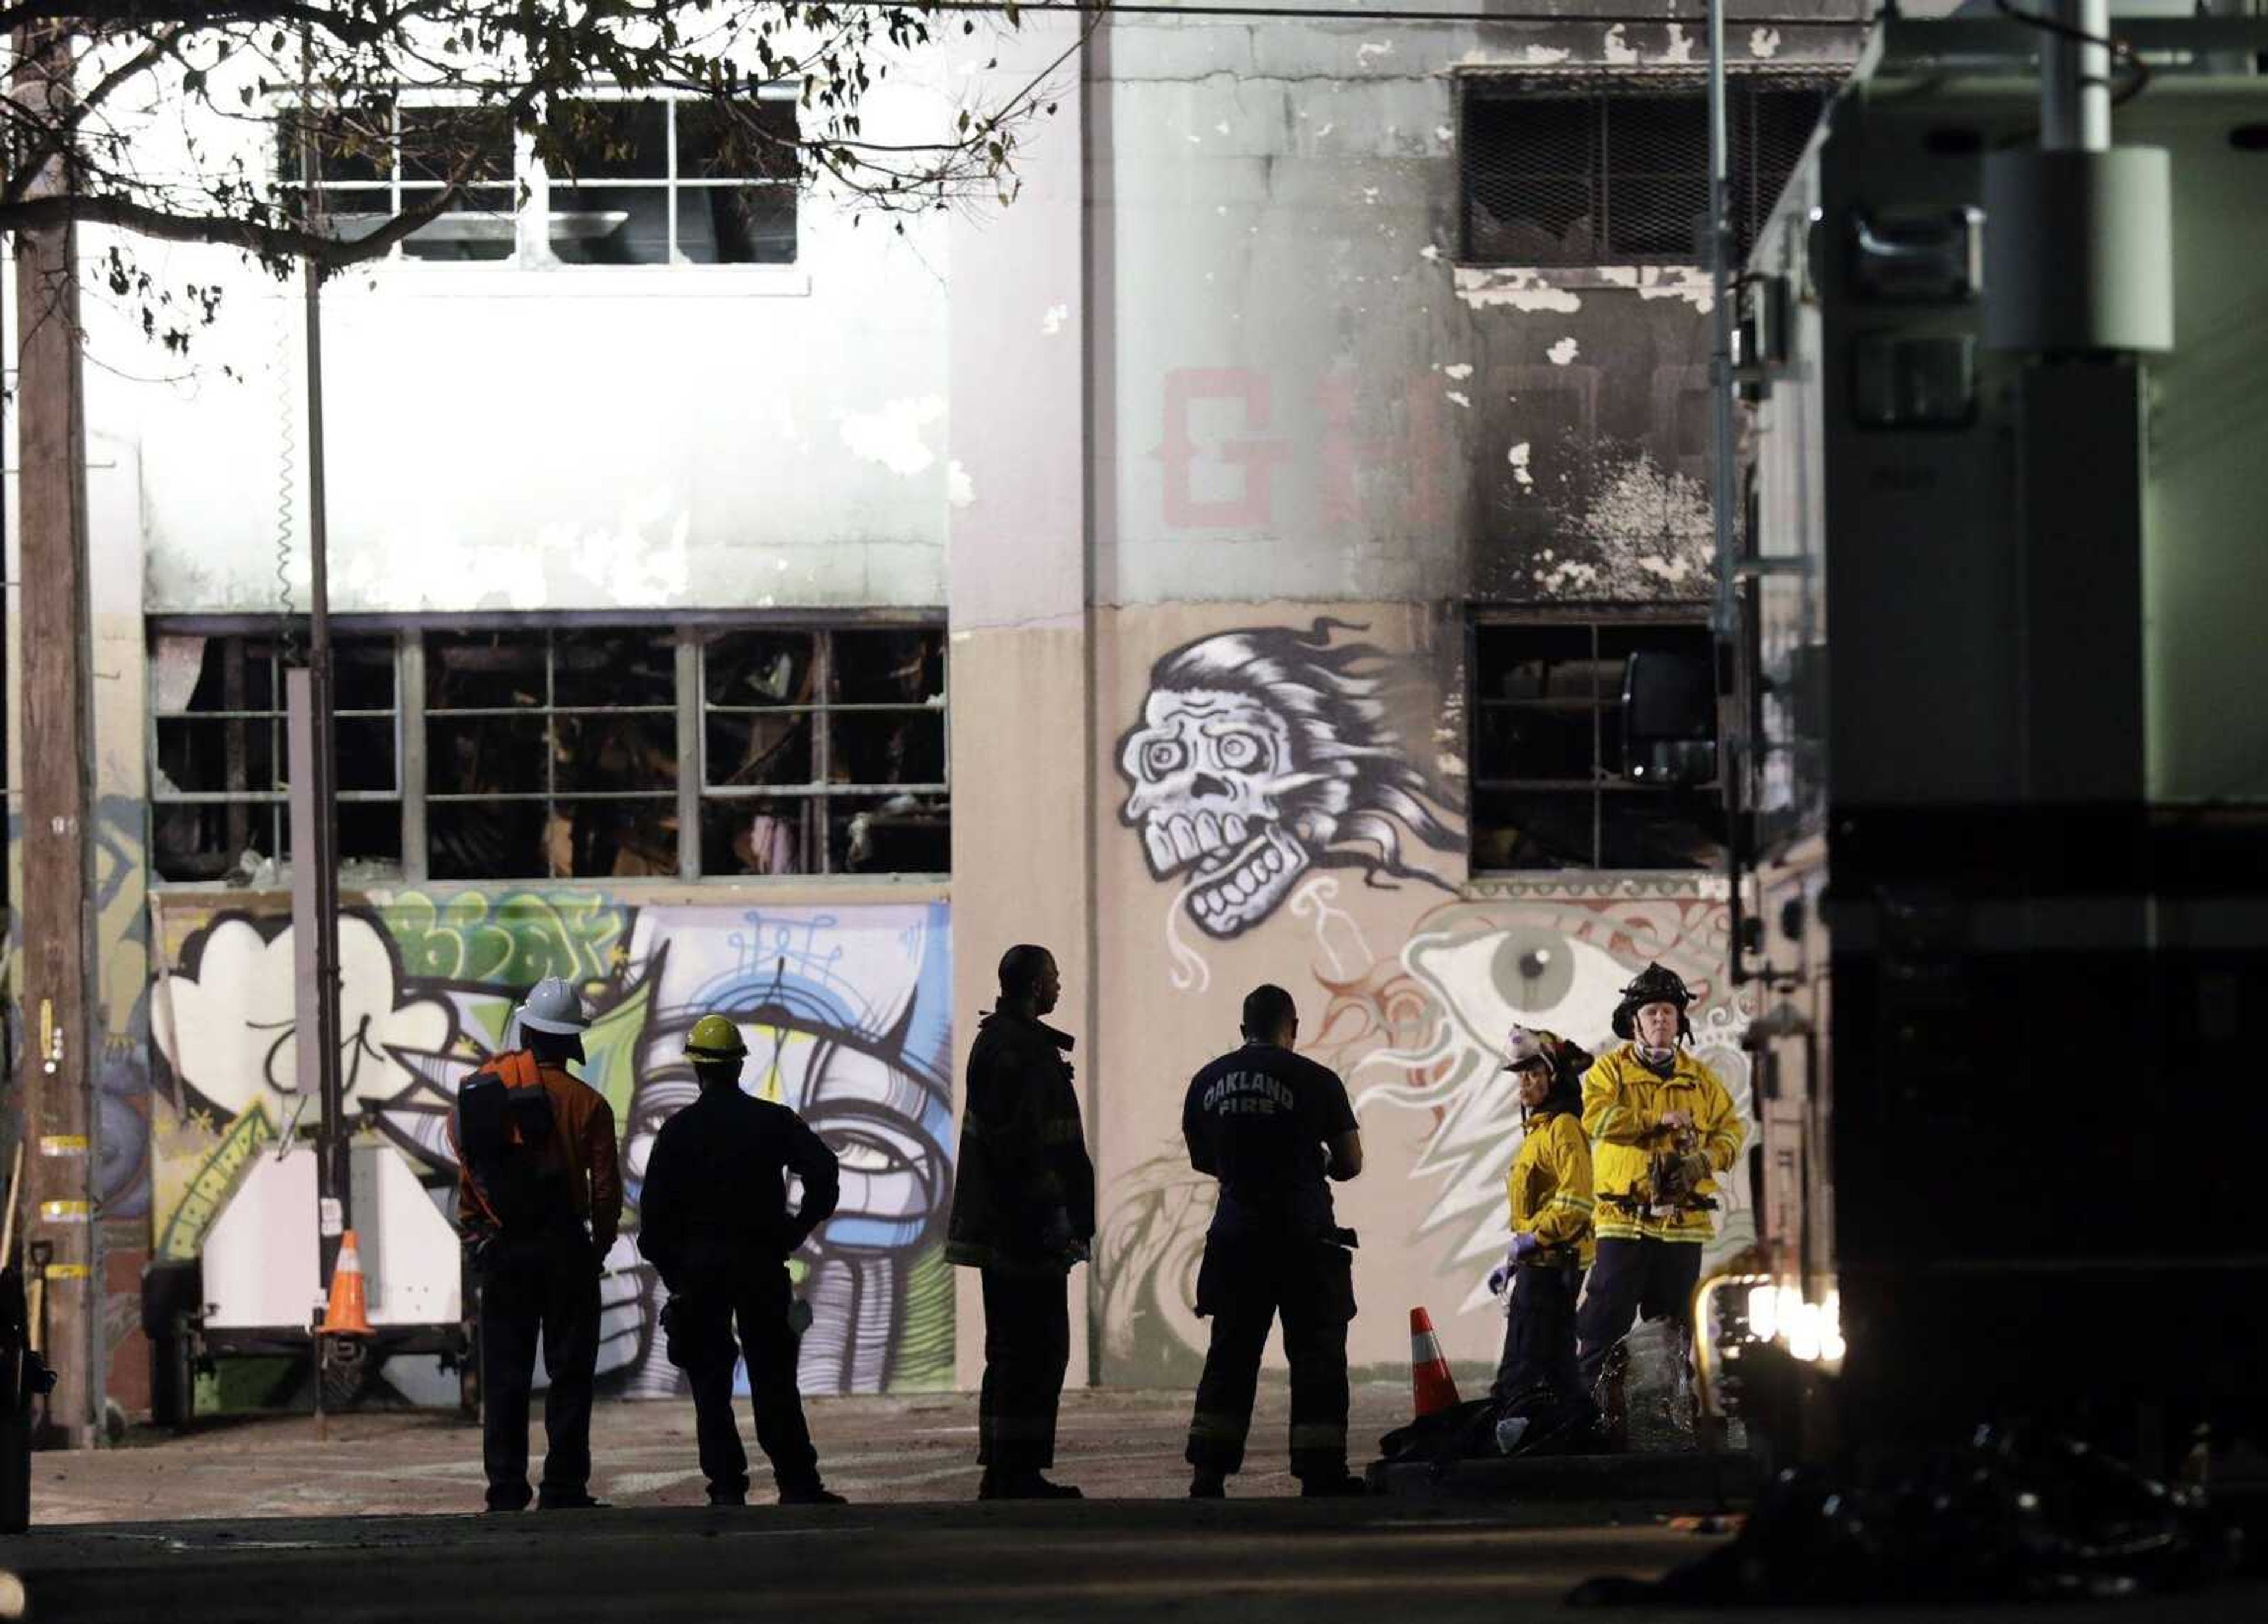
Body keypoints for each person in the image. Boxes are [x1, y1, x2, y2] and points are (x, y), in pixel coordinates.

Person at [636, 1013, 846, 1508]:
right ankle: (798, 1483)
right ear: (738, 1066)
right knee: (774, 1378)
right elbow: (824, 1168)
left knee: (710, 1385)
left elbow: (654, 1221)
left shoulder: (678, 1132)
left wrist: (676, 1279)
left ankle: (727, 1486)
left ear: (697, 1069)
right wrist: (798, 1228)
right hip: (760, 1266)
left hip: (700, 1274)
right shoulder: (772, 1121)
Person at [1181, 984, 1367, 1499]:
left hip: (1237, 1238)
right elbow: (1350, 1163)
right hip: (1304, 1239)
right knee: (1317, 1355)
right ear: (1294, 1028)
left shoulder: (1206, 1081)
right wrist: (1315, 1163)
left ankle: (1209, 1473)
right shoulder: (1317, 1080)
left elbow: (1203, 1159)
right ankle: (1320, 1471)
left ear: (1244, 1030)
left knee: (1231, 1355)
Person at [451, 976, 623, 1512]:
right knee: (570, 1375)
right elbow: (605, 1193)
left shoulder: (489, 1090)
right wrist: (597, 1248)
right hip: (565, 1249)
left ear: (528, 1031)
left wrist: (479, 1232)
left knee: (506, 1376)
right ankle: (564, 1488)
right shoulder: (589, 1104)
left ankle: (505, 1489)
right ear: (572, 1041)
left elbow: (468, 1167)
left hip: (504, 1250)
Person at [944, 944, 1094, 1500]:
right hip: (1025, 1229)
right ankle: (1015, 1471)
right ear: (1034, 985)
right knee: (1032, 1348)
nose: (1059, 986)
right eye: (1053, 977)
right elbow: (1021, 1150)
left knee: (1019, 1348)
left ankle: (1011, 1467)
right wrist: (1056, 1216)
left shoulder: (1013, 1044)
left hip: (1022, 1225)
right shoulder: (1014, 1050)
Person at [1574, 962, 1744, 1438]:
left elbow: (1733, 1132)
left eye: (1668, 1012)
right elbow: (1597, 1119)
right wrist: (1654, 1122)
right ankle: (1593, 1420)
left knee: (1674, 1332)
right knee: (1604, 1325)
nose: (1661, 1021)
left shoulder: (1702, 1081)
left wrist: (1703, 1160)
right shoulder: (1610, 1072)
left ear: (1680, 1021)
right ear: (1634, 1021)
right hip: (1623, 1223)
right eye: (1651, 1012)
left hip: (1682, 1226)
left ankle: (1670, 1420)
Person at [1484, 1025, 1597, 1455]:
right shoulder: (1540, 1130)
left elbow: (1576, 1201)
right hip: (1540, 1262)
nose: (1524, 1084)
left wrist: (1533, 1240)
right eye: (1519, 1076)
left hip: (1555, 1264)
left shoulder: (1564, 1128)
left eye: (1532, 1074)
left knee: (1523, 1364)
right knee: (1556, 1365)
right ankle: (1574, 1438)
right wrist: (1514, 1257)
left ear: (1554, 1077)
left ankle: (1512, 1446)